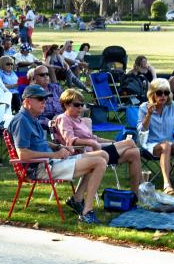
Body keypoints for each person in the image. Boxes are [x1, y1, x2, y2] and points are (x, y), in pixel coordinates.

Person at [9, 85, 110, 225]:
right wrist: (55, 154)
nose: (44, 102)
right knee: (99, 162)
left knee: (102, 155)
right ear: (27, 102)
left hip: (49, 162)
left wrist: (57, 146)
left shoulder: (32, 117)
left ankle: (77, 199)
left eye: (45, 99)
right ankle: (87, 211)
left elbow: (38, 142)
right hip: (41, 167)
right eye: (40, 99)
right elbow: (23, 154)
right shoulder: (22, 121)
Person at [54, 89, 142, 193]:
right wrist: (92, 143)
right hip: (84, 154)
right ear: (66, 105)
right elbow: (70, 140)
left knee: (135, 153)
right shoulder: (63, 119)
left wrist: (113, 142)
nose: (80, 108)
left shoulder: (79, 120)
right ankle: (144, 185)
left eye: (82, 105)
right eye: (76, 105)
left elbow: (94, 138)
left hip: (97, 149)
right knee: (130, 143)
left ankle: (135, 194)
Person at [137, 79, 174, 194]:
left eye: (166, 93)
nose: (163, 96)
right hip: (150, 144)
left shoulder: (173, 106)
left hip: (168, 142)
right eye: (159, 93)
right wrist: (149, 115)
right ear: (152, 94)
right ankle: (167, 185)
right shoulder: (144, 107)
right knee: (166, 146)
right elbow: (141, 130)